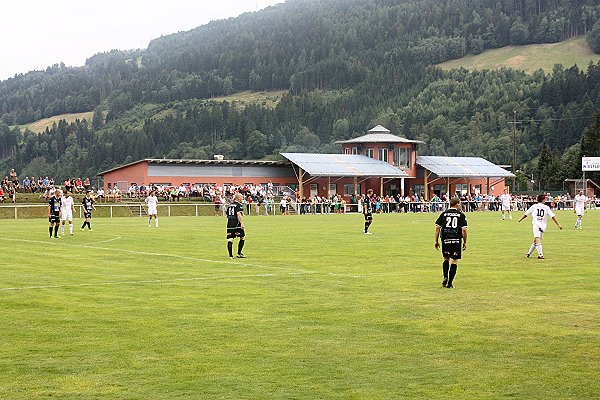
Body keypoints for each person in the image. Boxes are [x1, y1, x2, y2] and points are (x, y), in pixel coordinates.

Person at [434, 197, 468, 288]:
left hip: (445, 239)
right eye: (459, 203)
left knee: (446, 258)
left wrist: (436, 241)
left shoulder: (444, 214)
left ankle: (445, 277)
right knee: (454, 261)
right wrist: (465, 242)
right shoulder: (461, 215)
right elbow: (464, 230)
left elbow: (437, 228)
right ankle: (450, 283)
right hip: (456, 240)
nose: (460, 205)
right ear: (456, 204)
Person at [519, 193, 563, 259]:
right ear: (543, 200)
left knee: (537, 239)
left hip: (536, 224)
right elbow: (553, 216)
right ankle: (528, 253)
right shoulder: (546, 208)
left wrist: (521, 219)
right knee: (536, 240)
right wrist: (558, 224)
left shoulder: (534, 206)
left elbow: (526, 214)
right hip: (543, 226)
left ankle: (540, 255)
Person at [226, 193, 246, 259]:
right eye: (242, 197)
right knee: (242, 237)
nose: (243, 198)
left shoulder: (229, 205)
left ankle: (230, 256)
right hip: (237, 224)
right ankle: (239, 253)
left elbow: (227, 214)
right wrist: (242, 223)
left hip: (229, 224)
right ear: (238, 198)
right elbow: (238, 214)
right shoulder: (239, 205)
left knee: (230, 239)